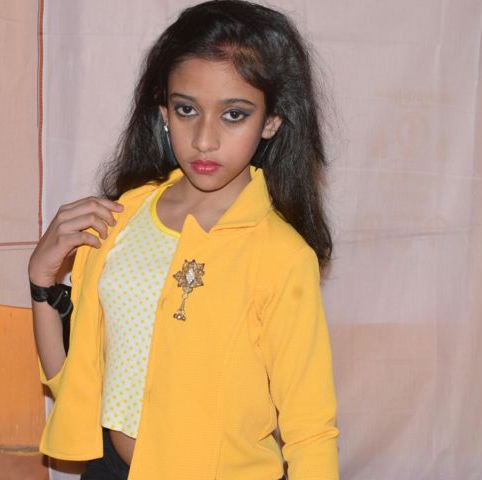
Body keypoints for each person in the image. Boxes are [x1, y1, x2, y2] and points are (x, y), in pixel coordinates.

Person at [28, 1, 339, 479]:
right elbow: (74, 386)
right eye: (187, 109)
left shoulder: (279, 254)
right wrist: (41, 281)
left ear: (271, 121)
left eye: (233, 114)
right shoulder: (123, 218)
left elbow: (310, 430)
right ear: (164, 111)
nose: (204, 139)